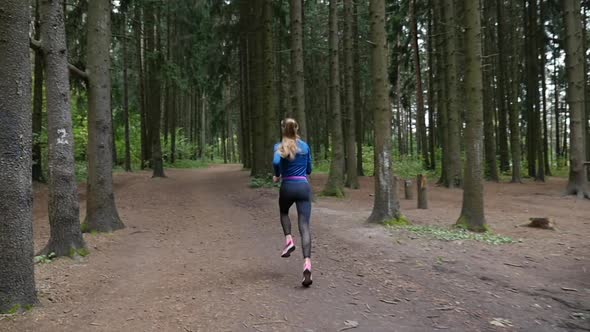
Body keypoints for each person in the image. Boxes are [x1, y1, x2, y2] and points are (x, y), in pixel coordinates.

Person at [272, 118, 313, 287]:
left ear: (283, 129)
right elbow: (310, 169)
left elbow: (276, 163)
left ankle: (289, 240)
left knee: (283, 212)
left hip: (287, 186)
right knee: (304, 226)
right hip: (303, 186)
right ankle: (307, 264)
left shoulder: (279, 147)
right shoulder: (304, 146)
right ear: (296, 128)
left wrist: (277, 174)